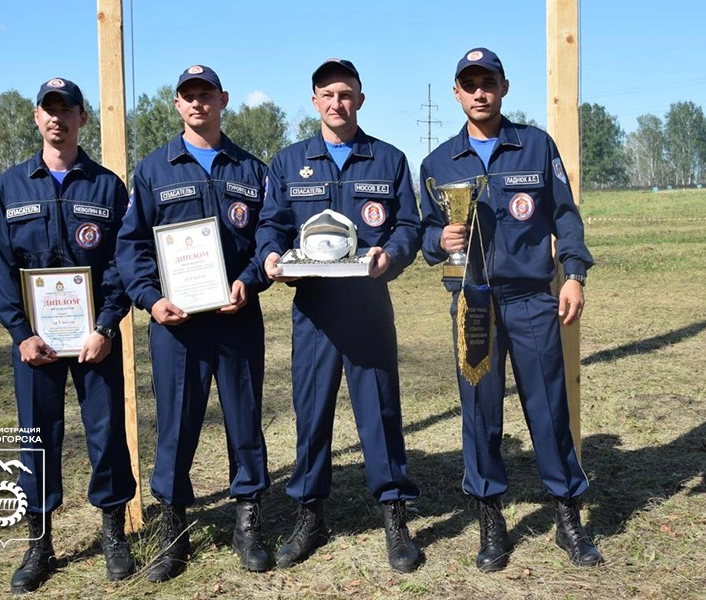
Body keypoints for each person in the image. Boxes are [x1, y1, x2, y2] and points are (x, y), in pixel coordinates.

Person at [419, 48, 604, 571]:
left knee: (548, 410)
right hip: (472, 301)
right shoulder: (436, 164)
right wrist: (440, 237)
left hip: (529, 299)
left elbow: (565, 216)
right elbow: (422, 233)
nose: (480, 92)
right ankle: (490, 521)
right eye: (469, 84)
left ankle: (568, 518)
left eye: (488, 82)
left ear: (504, 87)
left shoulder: (536, 146)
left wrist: (574, 274)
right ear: (456, 93)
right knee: (480, 415)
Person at [256, 58, 421, 573]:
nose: (336, 102)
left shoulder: (388, 159)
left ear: (361, 99)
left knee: (380, 411)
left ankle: (395, 515)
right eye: (327, 94)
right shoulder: (288, 162)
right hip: (314, 310)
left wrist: (388, 256)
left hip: (369, 307)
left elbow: (409, 227)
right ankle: (310, 514)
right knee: (312, 413)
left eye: (346, 94)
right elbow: (271, 225)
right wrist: (269, 257)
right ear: (314, 101)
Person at [116, 65, 271, 579]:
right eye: (189, 97)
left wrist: (250, 279)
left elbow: (269, 238)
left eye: (206, 95)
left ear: (223, 99)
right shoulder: (154, 170)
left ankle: (248, 520)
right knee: (176, 425)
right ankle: (173, 526)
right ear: (177, 105)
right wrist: (150, 299)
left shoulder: (250, 169)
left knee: (245, 421)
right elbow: (132, 245)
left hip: (237, 316)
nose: (198, 103)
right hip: (177, 323)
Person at [0, 78, 136, 594]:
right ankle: (39, 541)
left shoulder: (106, 186)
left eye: (66, 110)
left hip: (95, 339)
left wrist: (105, 325)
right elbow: (2, 265)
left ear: (82, 118)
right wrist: (20, 332)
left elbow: (120, 263)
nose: (58, 119)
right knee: (37, 437)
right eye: (49, 111)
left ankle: (114, 532)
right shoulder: (12, 184)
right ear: (36, 118)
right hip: (36, 344)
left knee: (106, 432)